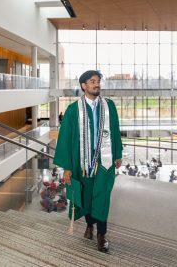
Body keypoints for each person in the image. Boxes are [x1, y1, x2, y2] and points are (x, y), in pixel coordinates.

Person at [53, 70, 122, 252]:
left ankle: (102, 235)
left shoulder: (109, 107)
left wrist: (118, 154)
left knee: (102, 196)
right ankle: (89, 225)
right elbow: (65, 139)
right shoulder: (73, 110)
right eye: (92, 81)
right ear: (84, 86)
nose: (97, 84)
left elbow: (114, 130)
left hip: (104, 161)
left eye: (98, 81)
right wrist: (67, 166)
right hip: (81, 162)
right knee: (87, 195)